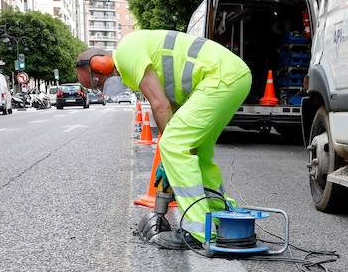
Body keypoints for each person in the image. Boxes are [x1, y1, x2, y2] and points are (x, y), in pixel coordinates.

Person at [78, 30, 251, 249]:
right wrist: (167, 161)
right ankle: (219, 216)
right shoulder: (133, 65)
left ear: (101, 65)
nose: (100, 90)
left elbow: (160, 105)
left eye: (97, 84)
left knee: (173, 145)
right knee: (197, 154)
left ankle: (197, 232)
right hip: (232, 76)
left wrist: (167, 153)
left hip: (220, 77)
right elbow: (173, 107)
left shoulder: (126, 53)